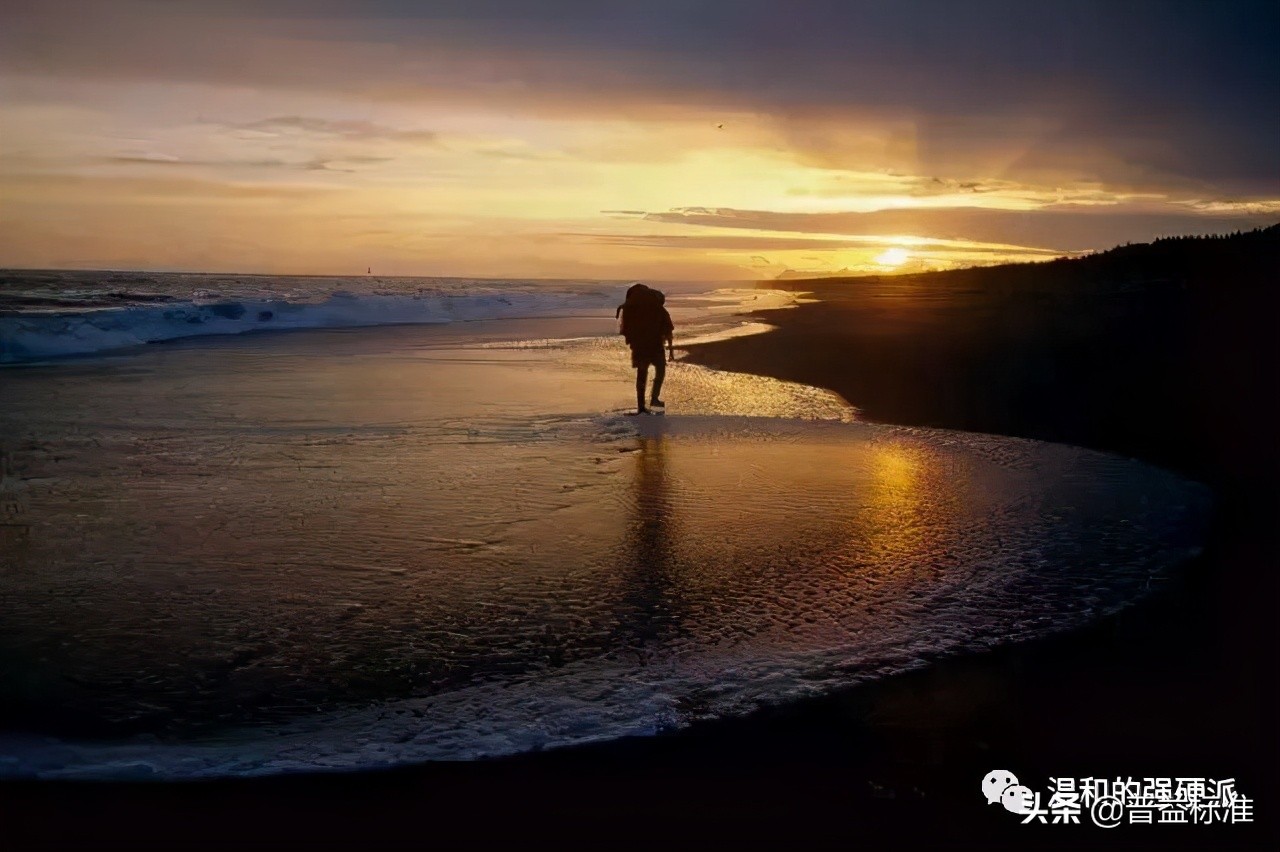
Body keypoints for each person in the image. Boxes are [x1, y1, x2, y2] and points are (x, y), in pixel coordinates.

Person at [618, 284, 674, 414]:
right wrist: (671, 351)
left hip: (640, 347)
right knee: (660, 370)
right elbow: (668, 332)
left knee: (642, 374)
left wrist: (632, 341)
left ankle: (641, 406)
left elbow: (628, 329)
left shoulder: (636, 311)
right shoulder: (660, 311)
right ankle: (654, 398)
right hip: (655, 347)